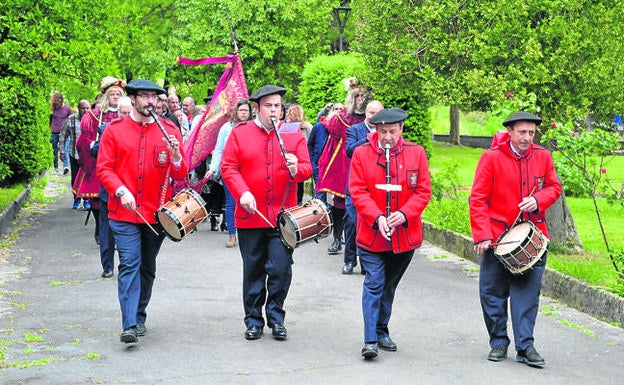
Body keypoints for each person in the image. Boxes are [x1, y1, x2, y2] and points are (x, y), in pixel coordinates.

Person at [96, 79, 188, 344]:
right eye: (145, 96)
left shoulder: (169, 129)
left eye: (154, 97)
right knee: (129, 263)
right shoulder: (114, 130)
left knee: (147, 266)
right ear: (133, 99)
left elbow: (180, 174)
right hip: (123, 214)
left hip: (156, 215)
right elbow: (104, 168)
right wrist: (121, 191)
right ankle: (129, 323)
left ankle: (139, 314)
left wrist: (176, 156)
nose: (151, 101)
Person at [469, 111, 562, 368]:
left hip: (534, 235)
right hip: (498, 238)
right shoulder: (491, 158)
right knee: (492, 293)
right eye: (522, 132)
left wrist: (538, 199)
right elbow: (477, 199)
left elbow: (554, 187)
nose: (527, 137)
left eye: (531, 133)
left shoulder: (542, 156)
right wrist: (482, 235)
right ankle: (498, 341)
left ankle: (525, 346)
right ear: (509, 132)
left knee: (527, 294)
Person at [221, 85, 312, 341]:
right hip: (250, 215)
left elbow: (307, 169)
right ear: (257, 109)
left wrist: (297, 168)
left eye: (278, 107)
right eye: (269, 106)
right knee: (253, 269)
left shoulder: (293, 136)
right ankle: (253, 320)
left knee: (281, 269)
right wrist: (242, 192)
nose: (274, 111)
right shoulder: (240, 134)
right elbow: (228, 167)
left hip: (283, 217)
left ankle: (276, 316)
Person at [349, 107, 432, 360]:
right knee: (374, 284)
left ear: (401, 130)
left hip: (404, 236)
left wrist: (405, 214)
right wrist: (378, 217)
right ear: (375, 130)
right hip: (372, 235)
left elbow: (423, 191)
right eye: (382, 131)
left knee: (389, 286)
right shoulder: (362, 154)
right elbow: (358, 191)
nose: (386, 137)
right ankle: (370, 339)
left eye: (392, 132)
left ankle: (382, 328)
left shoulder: (416, 153)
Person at [318, 87, 374, 255]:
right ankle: (337, 238)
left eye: (362, 95)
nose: (359, 98)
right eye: (356, 95)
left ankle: (363, 242)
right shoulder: (342, 117)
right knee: (339, 204)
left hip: (367, 163)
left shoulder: (373, 117)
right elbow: (333, 138)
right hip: (343, 161)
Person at [75, 77, 125, 241]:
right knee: (97, 199)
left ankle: (116, 231)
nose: (116, 97)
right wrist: (94, 146)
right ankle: (100, 225)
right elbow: (84, 140)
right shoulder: (94, 115)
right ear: (106, 96)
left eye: (119, 94)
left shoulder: (129, 114)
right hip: (99, 162)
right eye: (113, 94)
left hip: (122, 163)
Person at [92, 96, 132, 278]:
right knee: (106, 233)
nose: (125, 116)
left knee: (128, 234)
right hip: (108, 192)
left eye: (127, 113)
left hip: (130, 193)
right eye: (122, 113)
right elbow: (95, 151)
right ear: (117, 114)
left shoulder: (139, 131)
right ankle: (107, 266)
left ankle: (127, 265)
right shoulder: (107, 129)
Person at [343, 100, 384, 274]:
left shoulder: (386, 132)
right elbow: (349, 150)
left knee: (371, 223)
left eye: (378, 113)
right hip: (356, 185)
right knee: (352, 222)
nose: (374, 117)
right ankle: (349, 260)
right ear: (365, 114)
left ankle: (367, 262)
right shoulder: (354, 130)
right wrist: (370, 137)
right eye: (371, 113)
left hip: (376, 186)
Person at [205, 99, 252, 247]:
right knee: (231, 202)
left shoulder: (253, 128)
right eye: (241, 110)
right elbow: (219, 150)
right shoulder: (226, 128)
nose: (244, 113)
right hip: (230, 170)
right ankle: (232, 234)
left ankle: (249, 233)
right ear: (236, 112)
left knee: (248, 202)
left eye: (246, 110)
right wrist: (212, 168)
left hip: (249, 170)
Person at [307, 102, 344, 201]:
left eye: (341, 109)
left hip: (336, 167)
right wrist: (313, 163)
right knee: (320, 196)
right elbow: (310, 144)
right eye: (336, 109)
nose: (339, 112)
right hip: (319, 165)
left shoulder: (345, 128)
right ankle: (322, 215)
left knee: (337, 197)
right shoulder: (319, 127)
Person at [59, 99, 91, 209]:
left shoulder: (93, 119)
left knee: (87, 177)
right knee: (76, 177)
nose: (85, 110)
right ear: (78, 108)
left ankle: (87, 199)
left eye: (88, 108)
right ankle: (77, 198)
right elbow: (63, 135)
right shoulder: (71, 120)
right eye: (83, 108)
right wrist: (62, 151)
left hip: (89, 155)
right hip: (75, 154)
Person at [285, 103, 313, 204]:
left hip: (302, 159)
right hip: (290, 159)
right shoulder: (286, 127)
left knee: (300, 183)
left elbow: (311, 142)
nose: (288, 115)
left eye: (290, 113)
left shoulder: (307, 127)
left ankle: (299, 203)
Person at [49, 92, 72, 173]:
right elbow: (50, 119)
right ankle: (56, 168)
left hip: (65, 132)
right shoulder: (53, 108)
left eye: (57, 103)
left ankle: (65, 166)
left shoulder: (67, 109)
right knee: (54, 150)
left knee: (65, 149)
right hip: (54, 132)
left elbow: (70, 120)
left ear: (61, 101)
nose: (56, 105)